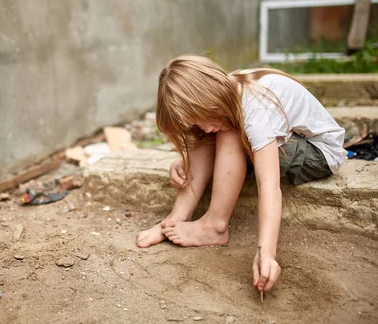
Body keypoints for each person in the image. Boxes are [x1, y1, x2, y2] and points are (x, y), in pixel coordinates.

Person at [136, 55, 346, 294]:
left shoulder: (256, 109)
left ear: (210, 97)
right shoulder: (225, 93)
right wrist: (184, 159)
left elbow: (268, 185)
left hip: (319, 153)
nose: (204, 127)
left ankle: (215, 225)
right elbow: (205, 131)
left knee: (228, 132)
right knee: (209, 134)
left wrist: (266, 253)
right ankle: (174, 220)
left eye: (202, 118)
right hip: (285, 140)